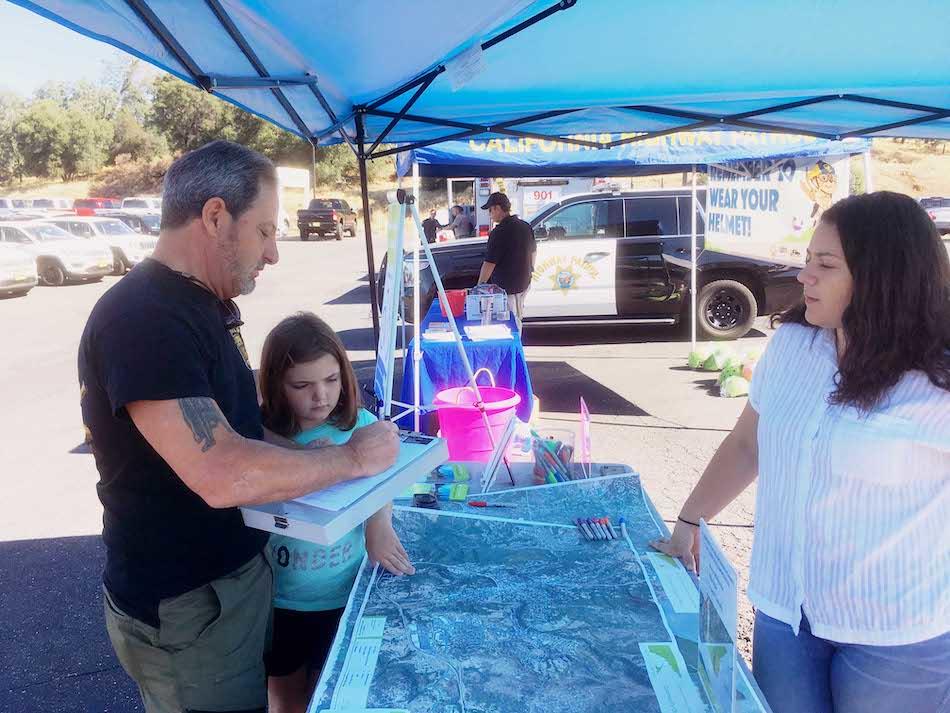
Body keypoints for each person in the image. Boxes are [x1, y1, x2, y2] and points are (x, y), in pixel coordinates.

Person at [78, 140, 400, 713]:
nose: (274, 252)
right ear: (215, 216)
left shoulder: (200, 306)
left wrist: (342, 455)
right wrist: (353, 460)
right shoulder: (147, 318)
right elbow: (223, 472)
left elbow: (241, 431)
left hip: (225, 587)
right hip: (188, 603)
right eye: (265, 231)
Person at [650, 191, 950, 713]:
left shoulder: (936, 383)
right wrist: (690, 521)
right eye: (807, 260)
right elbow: (747, 444)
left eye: (825, 265)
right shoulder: (793, 346)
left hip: (897, 634)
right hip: (785, 616)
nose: (803, 276)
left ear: (884, 278)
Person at [259, 312, 414, 713]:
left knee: (335, 689)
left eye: (331, 381)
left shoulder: (360, 425)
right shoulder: (259, 437)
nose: (321, 397)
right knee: (286, 694)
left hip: (345, 591)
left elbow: (382, 476)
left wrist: (378, 525)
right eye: (302, 385)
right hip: (282, 600)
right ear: (276, 385)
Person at [477, 192, 537, 331]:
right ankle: (516, 346)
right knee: (518, 317)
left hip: (506, 287)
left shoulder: (498, 233)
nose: (490, 214)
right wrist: (530, 270)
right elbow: (533, 252)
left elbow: (489, 263)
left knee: (509, 323)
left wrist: (480, 285)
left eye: (490, 210)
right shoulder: (525, 226)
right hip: (524, 282)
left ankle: (513, 349)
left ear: (498, 208)